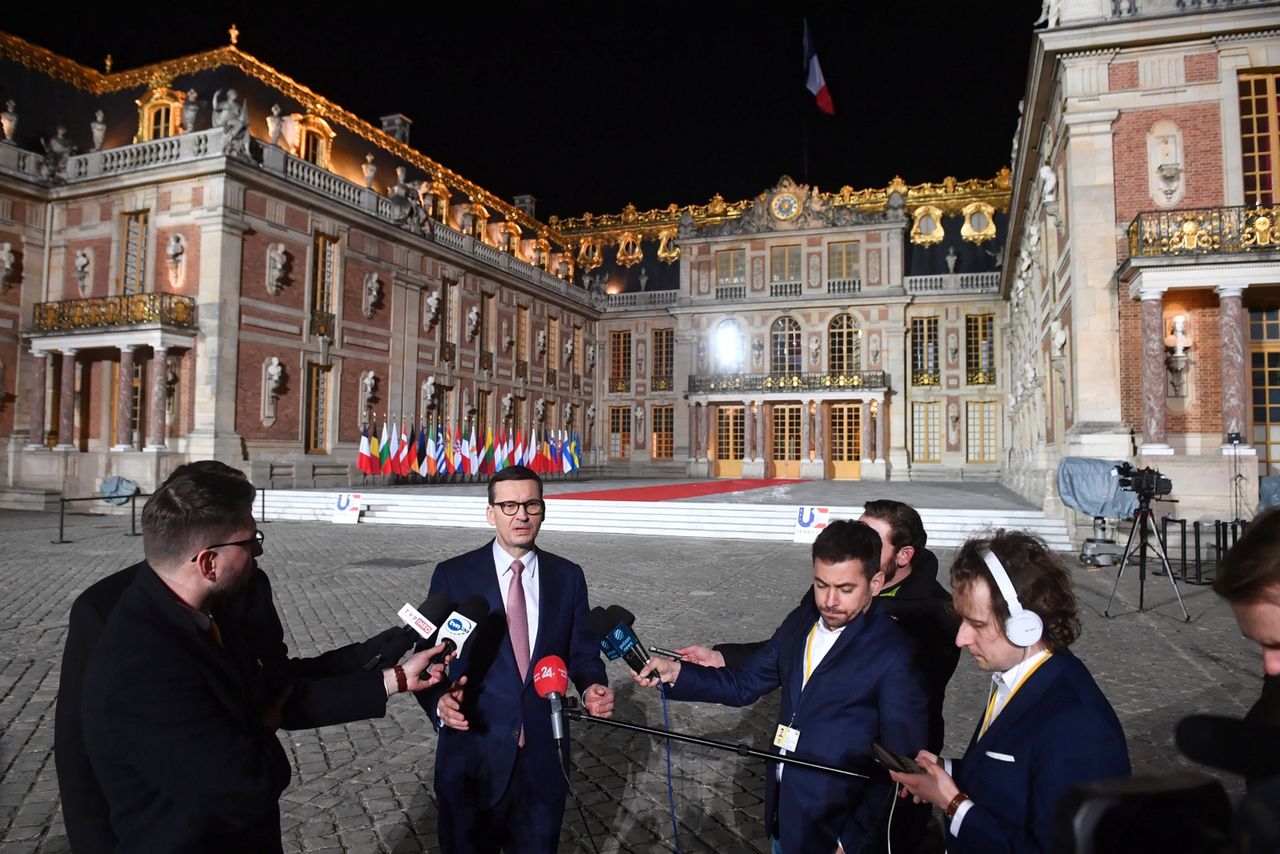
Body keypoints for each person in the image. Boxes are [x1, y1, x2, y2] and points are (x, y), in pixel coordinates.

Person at [75, 467, 446, 852]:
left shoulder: (203, 613)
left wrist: (395, 678)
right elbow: (242, 786)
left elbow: (275, 687)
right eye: (250, 541)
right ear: (207, 564)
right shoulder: (143, 662)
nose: (260, 550)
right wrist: (260, 729)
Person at [634, 519, 928, 853]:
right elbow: (744, 683)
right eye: (821, 585)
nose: (830, 600)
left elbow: (902, 766)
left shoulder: (896, 654)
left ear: (875, 583)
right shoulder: (800, 622)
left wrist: (852, 841)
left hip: (835, 832)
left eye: (845, 589)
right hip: (784, 815)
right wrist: (677, 673)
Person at [890, 530, 1130, 854]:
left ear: (1025, 625)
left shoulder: (1076, 721)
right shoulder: (1021, 677)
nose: (960, 639)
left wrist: (954, 804)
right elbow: (1015, 776)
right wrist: (943, 773)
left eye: (977, 624)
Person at [417, 465, 614, 853]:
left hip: (542, 762)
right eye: (508, 505)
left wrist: (592, 683)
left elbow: (581, 650)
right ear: (491, 512)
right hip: (472, 755)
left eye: (530, 504)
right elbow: (425, 659)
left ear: (543, 510)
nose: (520, 515)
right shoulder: (454, 575)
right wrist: (437, 701)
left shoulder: (568, 576)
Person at [685, 499, 960, 754]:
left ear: (903, 555)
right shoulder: (830, 588)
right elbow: (792, 646)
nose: (830, 600)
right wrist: (724, 657)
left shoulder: (937, 615)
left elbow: (907, 713)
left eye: (872, 541)